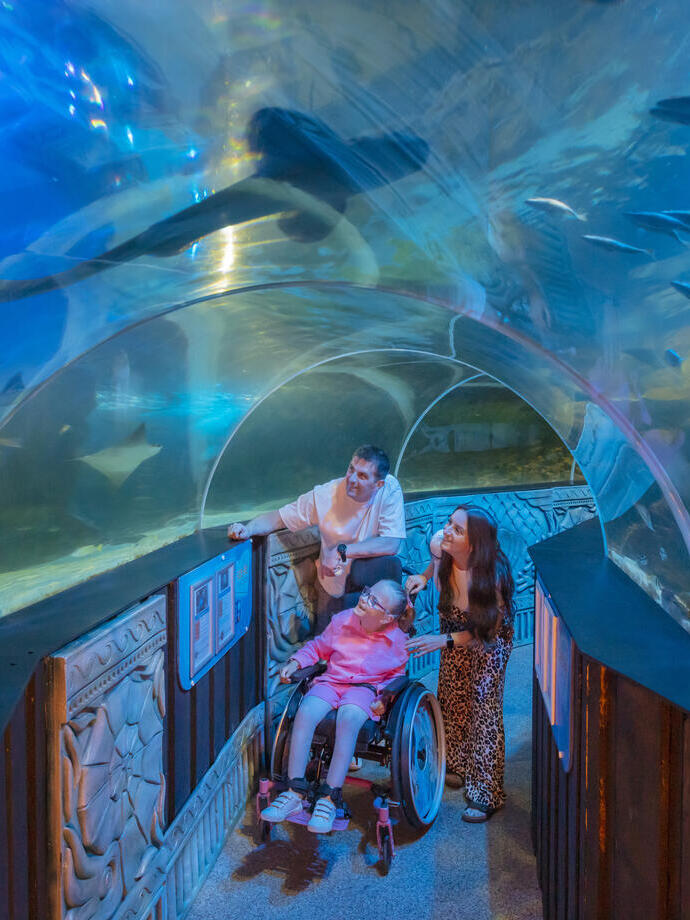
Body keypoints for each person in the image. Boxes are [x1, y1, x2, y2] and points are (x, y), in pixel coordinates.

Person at [260, 580, 410, 833]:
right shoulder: (343, 620)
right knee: (306, 711)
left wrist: (385, 700)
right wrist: (296, 662)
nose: (364, 600)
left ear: (388, 617)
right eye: (367, 592)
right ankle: (295, 793)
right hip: (332, 681)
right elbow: (318, 647)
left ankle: (329, 798)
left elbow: (397, 676)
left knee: (349, 718)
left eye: (374, 601)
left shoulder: (396, 641)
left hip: (366, 689)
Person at [405, 505, 515, 823]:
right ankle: (457, 764)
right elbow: (435, 565)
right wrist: (423, 578)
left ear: (475, 543)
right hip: (453, 626)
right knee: (452, 695)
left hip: (488, 638)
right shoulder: (443, 544)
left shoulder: (492, 576)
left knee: (483, 705)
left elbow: (488, 630)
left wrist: (444, 641)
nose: (447, 530)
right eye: (449, 523)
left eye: (457, 529)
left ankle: (486, 791)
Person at [227, 445, 406, 632]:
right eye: (351, 469)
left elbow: (391, 542)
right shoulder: (325, 495)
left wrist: (341, 551)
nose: (351, 479)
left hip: (375, 591)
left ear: (378, 484)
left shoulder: (389, 488)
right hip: (334, 585)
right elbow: (279, 518)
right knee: (328, 645)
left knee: (374, 648)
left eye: (362, 476)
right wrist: (247, 529)